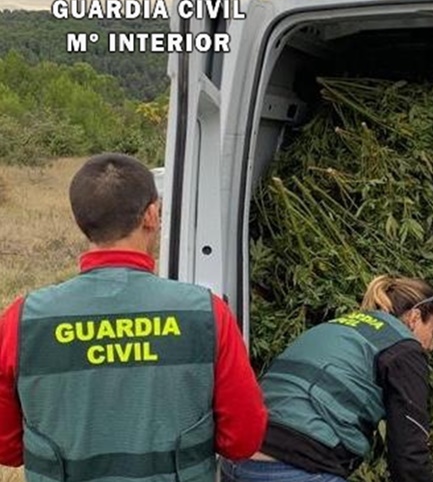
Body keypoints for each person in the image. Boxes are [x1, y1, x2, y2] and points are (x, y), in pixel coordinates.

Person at [0, 153, 268, 482]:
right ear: (152, 214)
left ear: (81, 221)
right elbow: (242, 440)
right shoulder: (207, 314)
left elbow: (7, 448)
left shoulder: (20, 321)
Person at [220, 275, 433, 482]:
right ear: (414, 318)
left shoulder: (338, 328)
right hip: (296, 467)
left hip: (237, 463)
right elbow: (408, 454)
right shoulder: (403, 347)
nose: (431, 345)